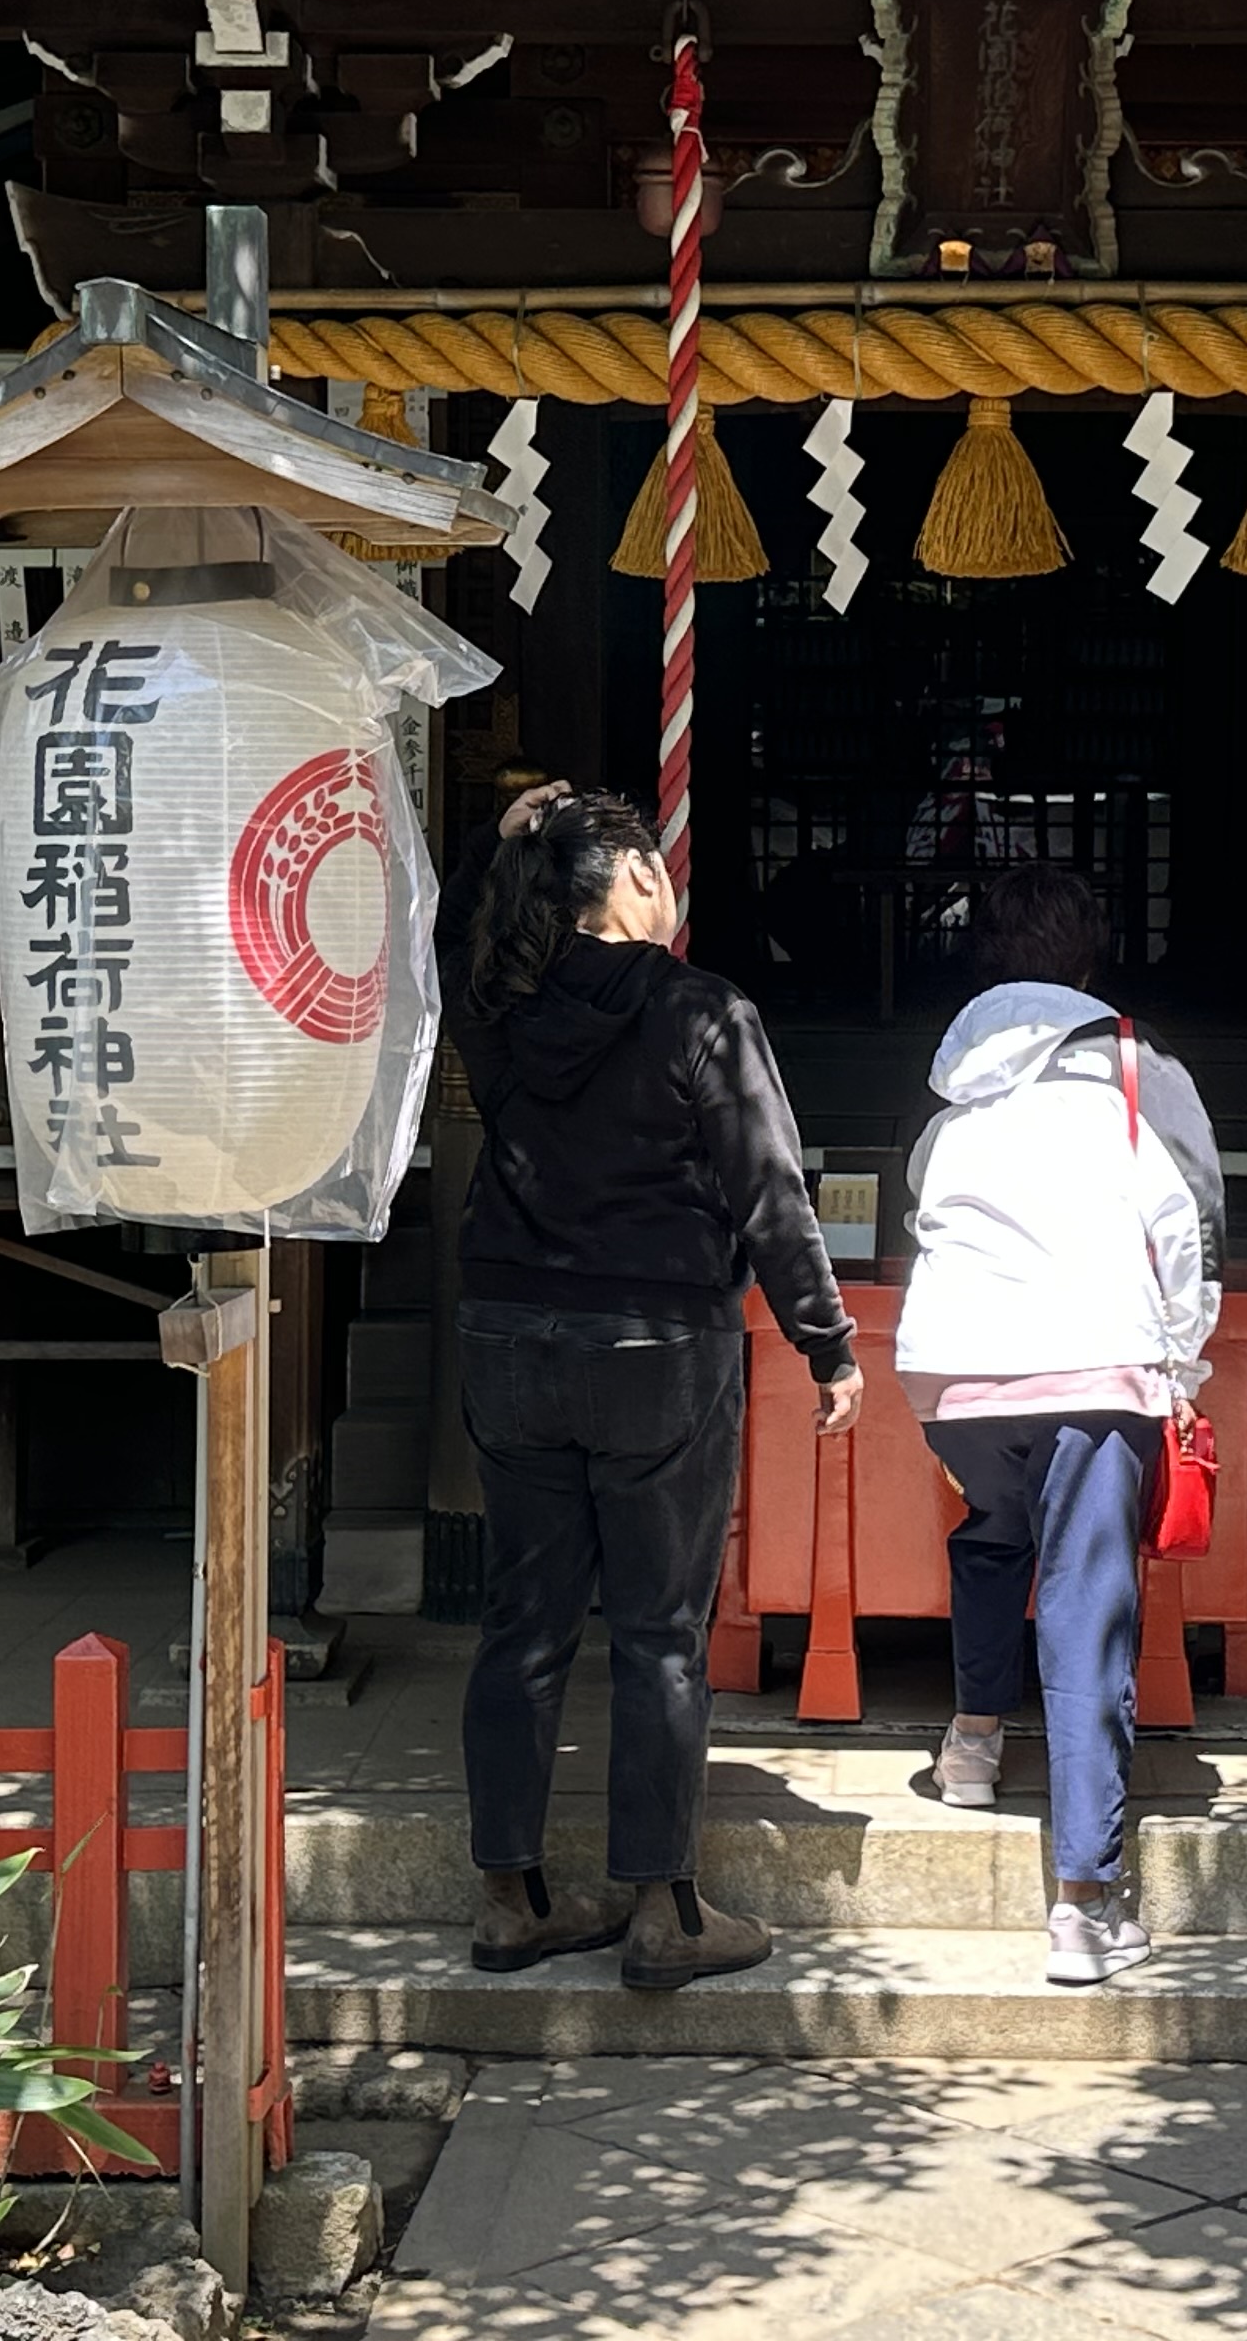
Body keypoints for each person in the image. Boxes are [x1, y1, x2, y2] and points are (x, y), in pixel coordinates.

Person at [435, 780, 862, 1992]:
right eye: (655, 863)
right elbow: (769, 1193)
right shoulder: (702, 1011)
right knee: (658, 1635)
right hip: (658, 1338)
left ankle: (511, 1898)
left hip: (512, 1327)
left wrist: (497, 835)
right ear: (628, 880)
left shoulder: (502, 1004)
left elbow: (451, 932)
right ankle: (663, 1909)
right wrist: (825, 1342)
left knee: (522, 1622)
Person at [891, 864, 1222, 1987]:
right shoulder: (1137, 1069)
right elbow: (1186, 1218)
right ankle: (1085, 1904)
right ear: (1091, 960)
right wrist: (1184, 1352)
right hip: (1092, 1362)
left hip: (956, 1374)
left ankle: (974, 1748)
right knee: (1087, 1617)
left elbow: (922, 1199)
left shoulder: (951, 1080)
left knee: (993, 1531)